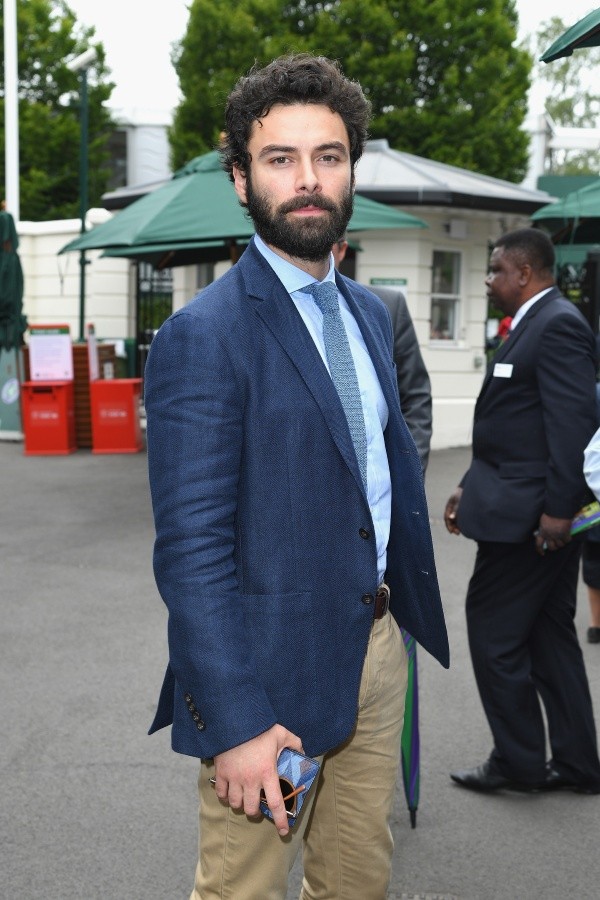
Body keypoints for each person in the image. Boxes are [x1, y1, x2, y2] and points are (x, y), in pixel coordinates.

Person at [145, 54, 449, 900]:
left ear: (352, 166)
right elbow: (193, 553)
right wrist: (237, 722)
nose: (308, 180)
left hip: (379, 652)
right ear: (241, 179)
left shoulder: (367, 312)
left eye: (330, 155)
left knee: (357, 881)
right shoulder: (203, 337)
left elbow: (371, 484)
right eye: (280, 159)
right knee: (243, 890)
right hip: (267, 675)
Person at [444, 227, 600, 795]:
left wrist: (559, 513)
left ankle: (519, 764)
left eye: (494, 271)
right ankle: (580, 764)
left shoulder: (557, 326)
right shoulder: (536, 323)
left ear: (524, 274)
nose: (488, 281)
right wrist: (468, 485)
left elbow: (571, 428)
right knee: (548, 638)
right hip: (521, 509)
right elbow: (513, 430)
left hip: (532, 524)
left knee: (494, 637)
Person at [332, 237, 432, 472]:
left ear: (342, 250)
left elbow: (415, 397)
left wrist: (410, 477)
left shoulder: (385, 305)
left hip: (382, 492)